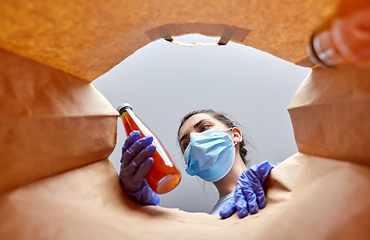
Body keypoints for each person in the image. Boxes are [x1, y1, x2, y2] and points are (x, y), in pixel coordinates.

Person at [119, 109, 275, 218]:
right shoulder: (213, 221)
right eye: (186, 144)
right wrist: (137, 205)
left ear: (235, 135)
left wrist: (279, 178)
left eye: (204, 127)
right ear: (189, 163)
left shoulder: (278, 181)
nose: (194, 141)